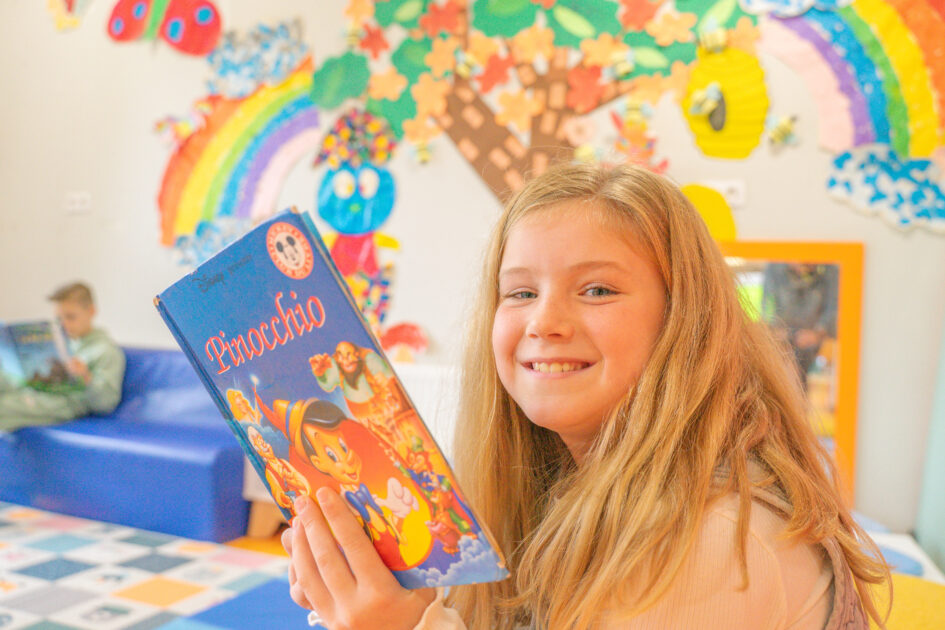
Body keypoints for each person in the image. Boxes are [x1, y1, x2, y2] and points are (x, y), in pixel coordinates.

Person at [280, 163, 889, 629]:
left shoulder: (718, 538)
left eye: (597, 290)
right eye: (520, 293)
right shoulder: (564, 487)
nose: (544, 322)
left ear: (684, 321)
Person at [0, 282, 125, 431]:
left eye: (70, 317)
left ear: (91, 311)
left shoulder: (106, 351)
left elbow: (106, 403)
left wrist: (86, 377)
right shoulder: (60, 343)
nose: (64, 325)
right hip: (33, 392)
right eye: (59, 319)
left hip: (61, 403)